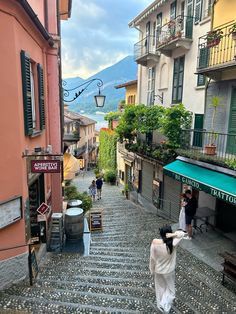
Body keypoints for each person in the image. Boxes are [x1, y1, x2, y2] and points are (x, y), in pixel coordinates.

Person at [149, 226, 186, 313]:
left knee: (160, 288)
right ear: (169, 233)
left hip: (158, 270)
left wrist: (152, 269)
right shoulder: (173, 243)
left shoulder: (155, 243)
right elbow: (182, 233)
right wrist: (172, 234)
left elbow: (152, 258)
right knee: (171, 291)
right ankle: (164, 304)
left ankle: (162, 304)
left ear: (161, 234)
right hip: (169, 271)